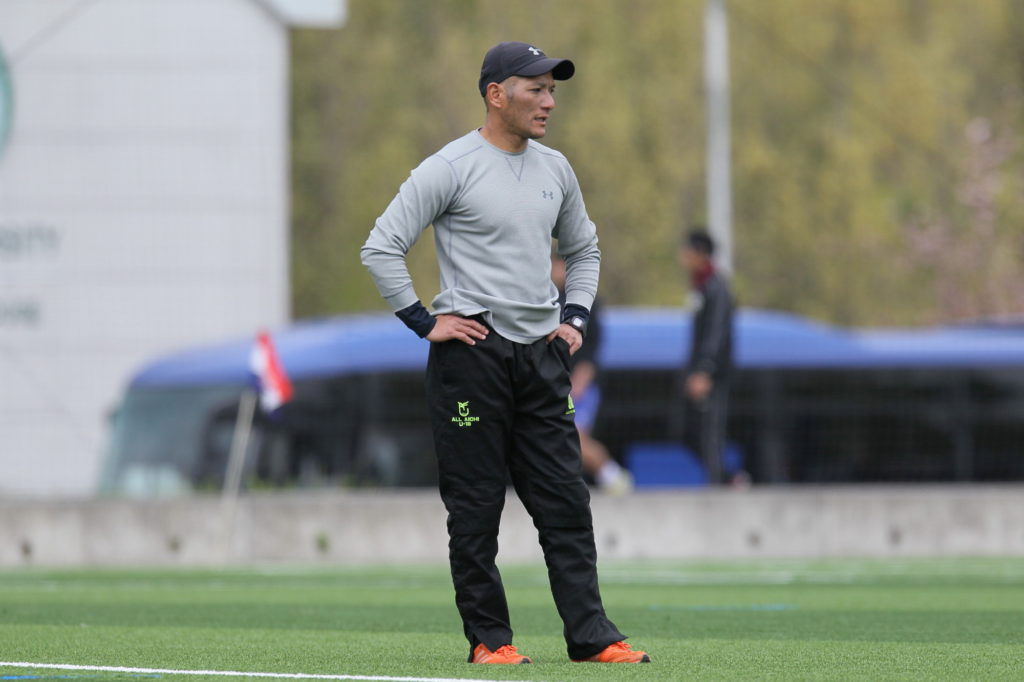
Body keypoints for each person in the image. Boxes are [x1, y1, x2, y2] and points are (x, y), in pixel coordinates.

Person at [360, 42, 649, 665]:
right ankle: (490, 642)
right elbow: (381, 247)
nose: (549, 102)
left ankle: (592, 637)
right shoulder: (449, 167)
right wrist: (423, 322)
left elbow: (585, 250)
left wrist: (574, 316)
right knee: (476, 506)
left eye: (552, 91)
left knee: (566, 501)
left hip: (541, 358)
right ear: (496, 94)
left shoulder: (557, 169)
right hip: (473, 357)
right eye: (536, 89)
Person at [551, 254, 633, 495]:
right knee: (559, 437)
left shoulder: (585, 302)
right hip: (558, 383)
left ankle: (614, 477)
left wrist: (581, 378)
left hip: (579, 386)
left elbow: (592, 346)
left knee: (575, 436)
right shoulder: (550, 299)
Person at [678, 228, 736, 485]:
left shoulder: (716, 287)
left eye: (687, 250)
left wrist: (704, 370)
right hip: (698, 370)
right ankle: (729, 478)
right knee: (688, 430)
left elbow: (716, 333)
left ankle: (720, 485)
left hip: (712, 374)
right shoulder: (700, 286)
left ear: (700, 253)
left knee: (710, 432)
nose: (682, 256)